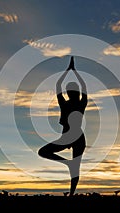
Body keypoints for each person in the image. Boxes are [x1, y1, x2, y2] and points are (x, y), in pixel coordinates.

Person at [38, 56, 88, 196]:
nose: (68, 93)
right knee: (44, 152)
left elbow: (60, 85)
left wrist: (70, 71)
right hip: (70, 136)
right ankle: (68, 165)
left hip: (75, 136)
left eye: (70, 91)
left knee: (74, 167)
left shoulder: (76, 104)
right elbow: (60, 86)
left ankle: (71, 194)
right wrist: (72, 71)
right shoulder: (71, 104)